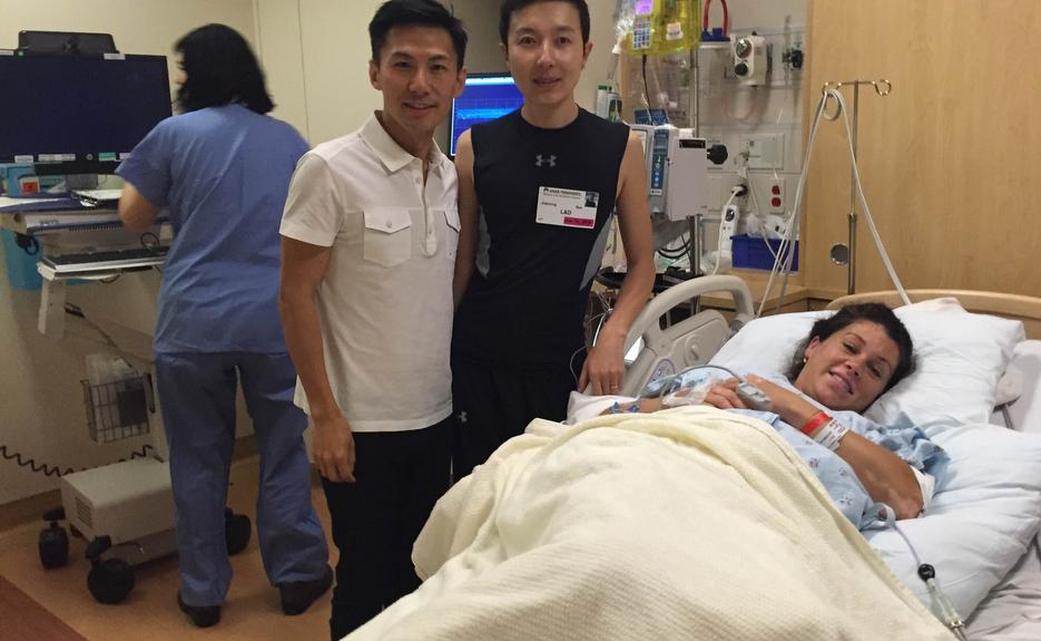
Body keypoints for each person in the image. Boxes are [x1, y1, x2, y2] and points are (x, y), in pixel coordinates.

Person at [116, 24, 331, 629]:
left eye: (183, 68)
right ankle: (296, 575)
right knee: (285, 451)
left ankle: (204, 591)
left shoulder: (172, 135)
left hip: (193, 325)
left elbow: (133, 218)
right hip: (274, 321)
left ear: (201, 72)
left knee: (197, 458)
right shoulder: (288, 139)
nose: (179, 80)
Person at [277, 1, 467, 638]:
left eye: (437, 67)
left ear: (458, 80)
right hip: (359, 425)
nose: (420, 83)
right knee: (364, 578)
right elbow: (294, 296)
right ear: (375, 72)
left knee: (420, 571)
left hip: (433, 414)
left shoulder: (448, 176)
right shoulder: (328, 169)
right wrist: (326, 416)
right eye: (403, 64)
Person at [450, 0, 656, 478]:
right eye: (528, 40)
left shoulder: (620, 148)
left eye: (562, 40)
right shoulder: (475, 149)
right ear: (507, 53)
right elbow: (462, 266)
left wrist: (612, 338)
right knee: (477, 501)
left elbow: (643, 265)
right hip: (478, 363)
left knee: (548, 500)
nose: (546, 57)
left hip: (562, 365)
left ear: (584, 51)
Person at [606, 303, 942, 525]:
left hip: (743, 520)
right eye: (850, 348)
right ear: (813, 347)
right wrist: (679, 401)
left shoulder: (866, 437)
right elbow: (609, 417)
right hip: (642, 480)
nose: (855, 365)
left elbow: (908, 499)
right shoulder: (728, 375)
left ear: (879, 392)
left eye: (875, 370)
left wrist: (794, 407)